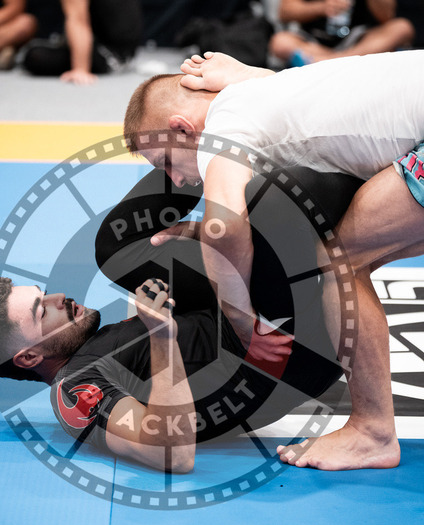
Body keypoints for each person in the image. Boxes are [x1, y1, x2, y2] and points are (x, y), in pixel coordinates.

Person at [123, 49, 424, 471]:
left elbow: (225, 226)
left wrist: (242, 321)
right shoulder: (263, 88)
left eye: (166, 162)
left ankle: (373, 432)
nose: (175, 179)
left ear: (182, 127)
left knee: (343, 260)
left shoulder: (223, 125)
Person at [0, 166, 362, 472]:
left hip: (232, 313)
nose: (58, 298)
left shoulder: (90, 345)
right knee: (274, 200)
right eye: (42, 310)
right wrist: (162, 338)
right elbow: (173, 455)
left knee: (115, 248)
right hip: (280, 354)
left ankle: (200, 143)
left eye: (43, 293)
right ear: (29, 358)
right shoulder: (74, 388)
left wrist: (207, 238)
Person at [22, 0, 141, 84]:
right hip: (126, 54)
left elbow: (78, 20)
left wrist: (80, 69)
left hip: (110, 56)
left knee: (34, 57)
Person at [269, 0, 414, 66]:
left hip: (358, 40)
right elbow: (285, 12)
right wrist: (321, 7)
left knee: (402, 27)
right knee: (280, 42)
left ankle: (324, 62)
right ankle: (340, 62)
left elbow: (387, 16)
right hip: (315, 41)